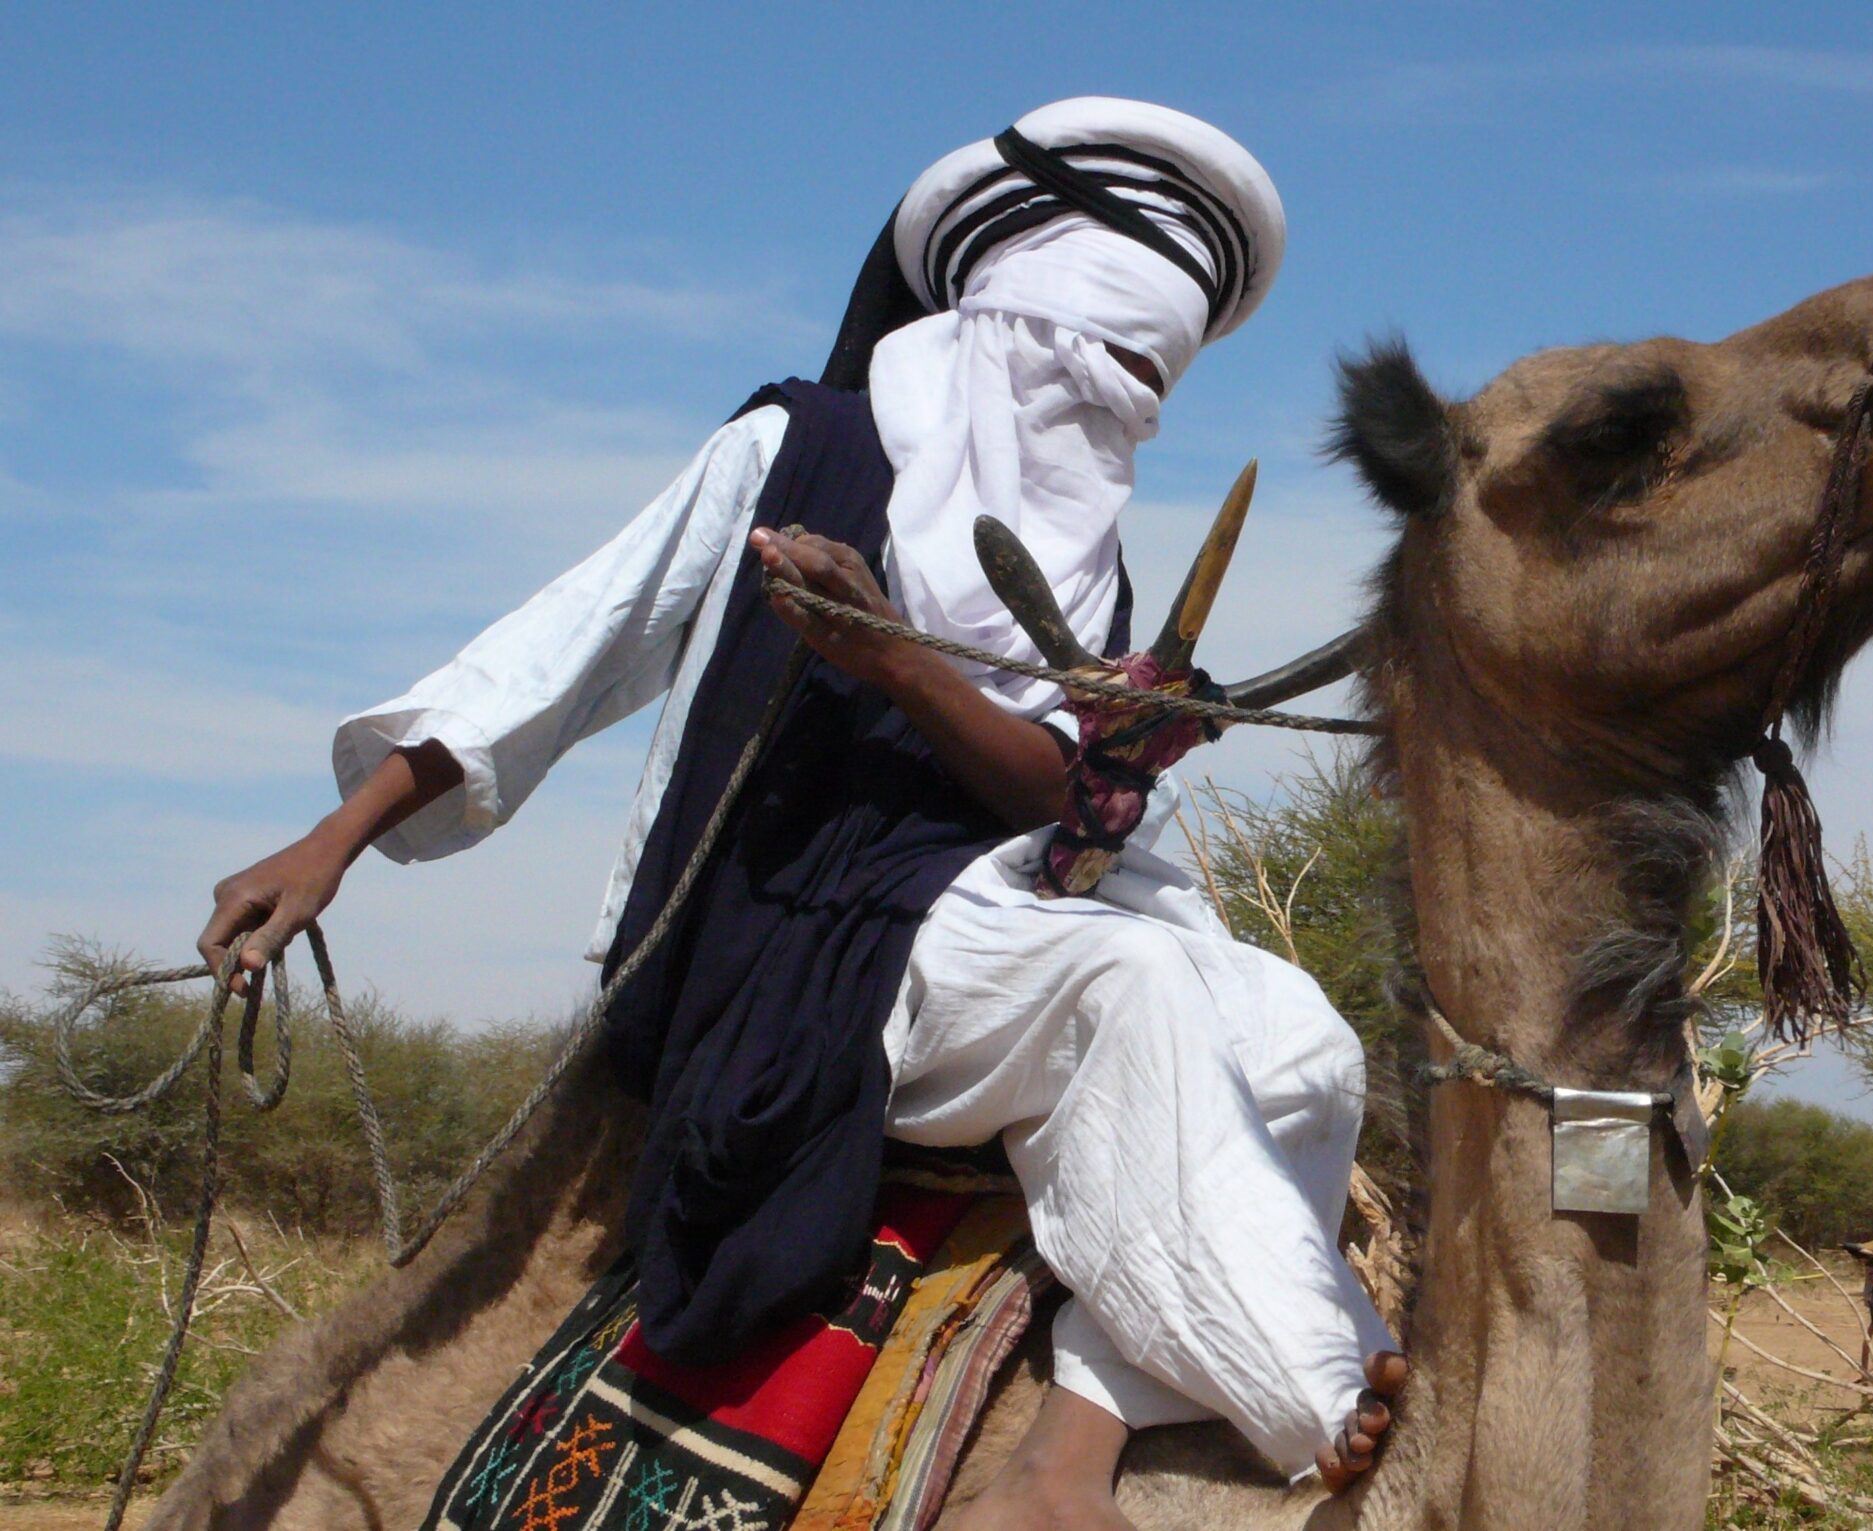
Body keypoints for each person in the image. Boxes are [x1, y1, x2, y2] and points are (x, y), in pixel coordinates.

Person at [196, 97, 1402, 1527]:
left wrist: (1115, 766)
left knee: (1300, 1039)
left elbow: (1038, 797)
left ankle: (1069, 1444)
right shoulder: (800, 448)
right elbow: (567, 647)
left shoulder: (1101, 570)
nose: (1126, 395)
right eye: (1109, 354)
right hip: (804, 944)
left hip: (989, 926)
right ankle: (1320, 1384)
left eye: (1157, 373)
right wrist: (334, 841)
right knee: (1131, 980)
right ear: (1020, 322)